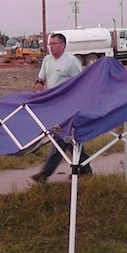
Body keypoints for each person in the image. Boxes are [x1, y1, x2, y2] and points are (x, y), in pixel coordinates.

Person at [31, 33, 93, 183]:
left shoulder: (71, 62)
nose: (51, 47)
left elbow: (80, 84)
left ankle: (45, 173)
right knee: (68, 140)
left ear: (63, 45)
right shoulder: (47, 60)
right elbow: (40, 79)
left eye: (54, 43)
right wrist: (39, 92)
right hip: (53, 105)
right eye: (49, 44)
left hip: (69, 106)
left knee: (60, 138)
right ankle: (85, 167)